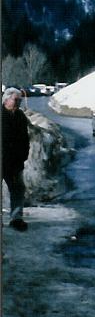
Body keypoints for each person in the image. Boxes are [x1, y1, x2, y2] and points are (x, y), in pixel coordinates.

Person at [2, 87, 31, 231]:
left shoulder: (20, 116)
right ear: (6, 99)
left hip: (15, 162)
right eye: (16, 99)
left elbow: (25, 138)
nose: (18, 102)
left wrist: (24, 155)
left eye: (20, 100)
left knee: (18, 189)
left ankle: (16, 218)